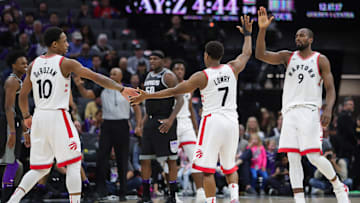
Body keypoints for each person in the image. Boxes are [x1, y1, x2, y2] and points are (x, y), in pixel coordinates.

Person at [131, 15, 253, 203]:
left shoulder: (201, 76)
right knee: (229, 167)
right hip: (232, 122)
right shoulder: (233, 68)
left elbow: (173, 91)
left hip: (212, 121)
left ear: (206, 55)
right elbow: (246, 53)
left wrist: (148, 95)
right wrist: (247, 35)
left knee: (206, 170)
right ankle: (234, 199)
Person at [7, 27, 137, 203]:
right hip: (58, 116)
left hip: (39, 117)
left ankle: (12, 201)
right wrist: (121, 88)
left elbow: (22, 96)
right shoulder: (65, 63)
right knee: (75, 162)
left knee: (39, 169)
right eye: (65, 40)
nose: (68, 44)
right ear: (55, 44)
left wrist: (27, 118)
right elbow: (95, 77)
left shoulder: (34, 64)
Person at [254, 7, 349, 203]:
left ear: (310, 39)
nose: (298, 38)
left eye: (302, 35)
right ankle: (299, 199)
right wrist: (262, 29)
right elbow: (260, 54)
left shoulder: (320, 59)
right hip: (289, 112)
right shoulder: (287, 56)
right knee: (293, 158)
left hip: (309, 111)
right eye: (297, 35)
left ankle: (339, 186)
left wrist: (329, 109)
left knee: (313, 156)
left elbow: (330, 89)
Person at [74, 67, 142, 201]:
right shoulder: (101, 88)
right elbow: (88, 95)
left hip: (122, 125)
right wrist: (80, 87)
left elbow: (137, 108)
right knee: (102, 157)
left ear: (121, 76)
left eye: (115, 73)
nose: (111, 75)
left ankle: (122, 192)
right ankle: (101, 190)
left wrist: (139, 125)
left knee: (122, 158)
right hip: (107, 125)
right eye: (110, 73)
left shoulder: (127, 89)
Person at [135, 50, 184, 203]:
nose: (152, 61)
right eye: (150, 59)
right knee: (145, 159)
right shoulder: (148, 76)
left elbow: (180, 100)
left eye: (155, 59)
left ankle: (172, 194)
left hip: (165, 121)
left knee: (171, 159)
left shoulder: (168, 76)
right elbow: (147, 103)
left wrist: (170, 119)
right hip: (150, 121)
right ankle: (146, 195)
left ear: (163, 61)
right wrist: (141, 123)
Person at [170, 59, 205, 202]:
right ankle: (173, 194)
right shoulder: (167, 86)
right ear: (172, 71)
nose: (179, 71)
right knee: (170, 160)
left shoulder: (189, 86)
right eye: (176, 68)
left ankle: (200, 192)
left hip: (186, 124)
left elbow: (191, 109)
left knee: (196, 158)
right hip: (172, 125)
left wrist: (196, 128)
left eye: (181, 69)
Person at [0, 50, 30, 202]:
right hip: (8, 124)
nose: (25, 65)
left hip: (15, 123)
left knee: (12, 162)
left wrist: (25, 130)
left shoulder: (19, 81)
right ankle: (6, 197)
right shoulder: (12, 81)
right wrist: (12, 132)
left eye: (26, 63)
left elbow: (19, 110)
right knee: (10, 162)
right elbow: (8, 108)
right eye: (22, 63)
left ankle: (7, 195)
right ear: (13, 65)